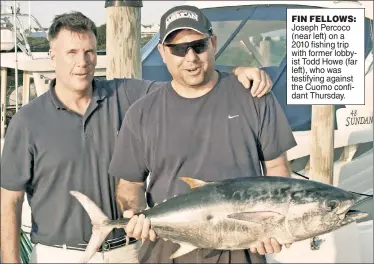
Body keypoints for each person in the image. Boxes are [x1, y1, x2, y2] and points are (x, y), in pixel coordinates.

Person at [0, 11, 273, 264]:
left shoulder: (127, 95)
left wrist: (238, 73)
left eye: (90, 52)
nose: (82, 62)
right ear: (52, 55)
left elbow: (188, 78)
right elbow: (10, 201)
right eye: (71, 52)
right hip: (58, 255)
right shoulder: (27, 121)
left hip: (128, 250)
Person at [108, 5, 297, 264]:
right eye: (178, 49)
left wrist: (273, 225)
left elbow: (277, 168)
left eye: (198, 46)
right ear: (163, 52)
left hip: (242, 248)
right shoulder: (141, 113)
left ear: (213, 43)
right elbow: (130, 185)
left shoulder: (254, 97)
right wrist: (135, 214)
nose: (190, 58)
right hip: (167, 248)